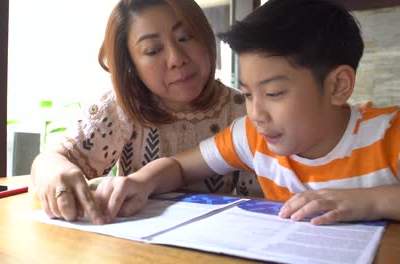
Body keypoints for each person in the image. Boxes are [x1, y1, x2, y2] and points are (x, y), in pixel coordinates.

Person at [95, 0, 400, 225]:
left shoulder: (389, 134)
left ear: (338, 86)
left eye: (273, 94)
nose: (256, 113)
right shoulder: (254, 137)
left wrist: (370, 201)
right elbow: (180, 167)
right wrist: (142, 181)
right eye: (249, 94)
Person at [31, 0, 260, 224]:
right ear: (131, 64)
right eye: (152, 50)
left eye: (185, 37)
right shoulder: (121, 106)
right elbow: (50, 160)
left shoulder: (248, 110)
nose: (176, 59)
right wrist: (55, 172)